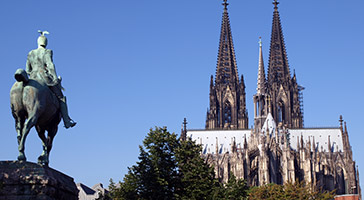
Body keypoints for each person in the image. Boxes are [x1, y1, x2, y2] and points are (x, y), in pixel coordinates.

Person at [26, 30, 76, 128]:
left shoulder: (31, 53)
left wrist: (32, 75)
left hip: (32, 79)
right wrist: (55, 78)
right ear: (46, 43)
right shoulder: (47, 52)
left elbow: (27, 70)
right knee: (61, 98)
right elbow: (50, 65)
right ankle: (67, 121)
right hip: (44, 78)